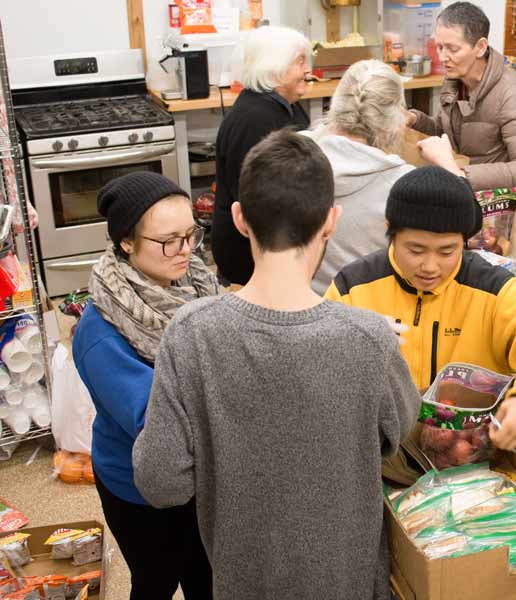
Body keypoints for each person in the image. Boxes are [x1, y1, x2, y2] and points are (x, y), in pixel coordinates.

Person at [132, 130, 420, 600]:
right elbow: (397, 432)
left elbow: (160, 481)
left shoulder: (190, 334)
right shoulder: (369, 338)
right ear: (331, 221)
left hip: (241, 584)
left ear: (240, 219)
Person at [326, 166, 516, 451]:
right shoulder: (353, 288)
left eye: (447, 251)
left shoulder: (492, 289)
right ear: (390, 231)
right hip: (379, 455)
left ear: (464, 242)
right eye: (416, 250)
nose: (430, 267)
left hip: (472, 460)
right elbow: (320, 367)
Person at [73, 172, 218, 600]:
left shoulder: (195, 283)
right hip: (138, 488)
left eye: (191, 234)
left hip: (200, 476)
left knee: (205, 577)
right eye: (169, 240)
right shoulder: (101, 333)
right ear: (126, 242)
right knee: (156, 580)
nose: (187, 251)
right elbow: (155, 420)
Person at [304, 59, 455, 294]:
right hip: (369, 312)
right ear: (396, 118)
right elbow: (460, 225)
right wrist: (449, 166)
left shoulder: (294, 154)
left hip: (305, 300)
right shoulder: (403, 184)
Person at [408, 1, 516, 195]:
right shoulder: (456, 80)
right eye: (439, 47)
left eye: (452, 49)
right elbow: (445, 131)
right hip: (465, 194)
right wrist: (414, 119)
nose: (443, 57)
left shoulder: (511, 92)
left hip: (501, 205)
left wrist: (461, 174)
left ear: (480, 47)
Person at [213, 25, 312, 285]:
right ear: (274, 68)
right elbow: (255, 201)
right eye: (299, 62)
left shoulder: (286, 106)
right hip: (249, 259)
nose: (307, 70)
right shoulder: (254, 120)